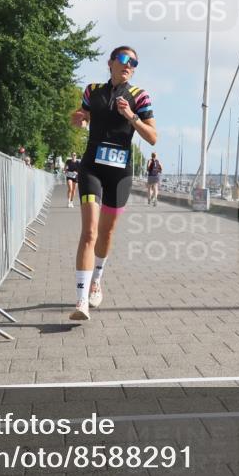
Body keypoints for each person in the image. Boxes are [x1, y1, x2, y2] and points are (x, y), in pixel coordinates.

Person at [69, 46, 157, 321]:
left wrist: (131, 116)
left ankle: (97, 280)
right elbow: (81, 117)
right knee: (90, 233)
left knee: (106, 235)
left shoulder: (139, 96)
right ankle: (81, 300)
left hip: (119, 175)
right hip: (92, 169)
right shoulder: (92, 90)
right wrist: (78, 120)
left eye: (134, 61)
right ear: (110, 63)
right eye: (123, 59)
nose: (129, 64)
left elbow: (153, 137)